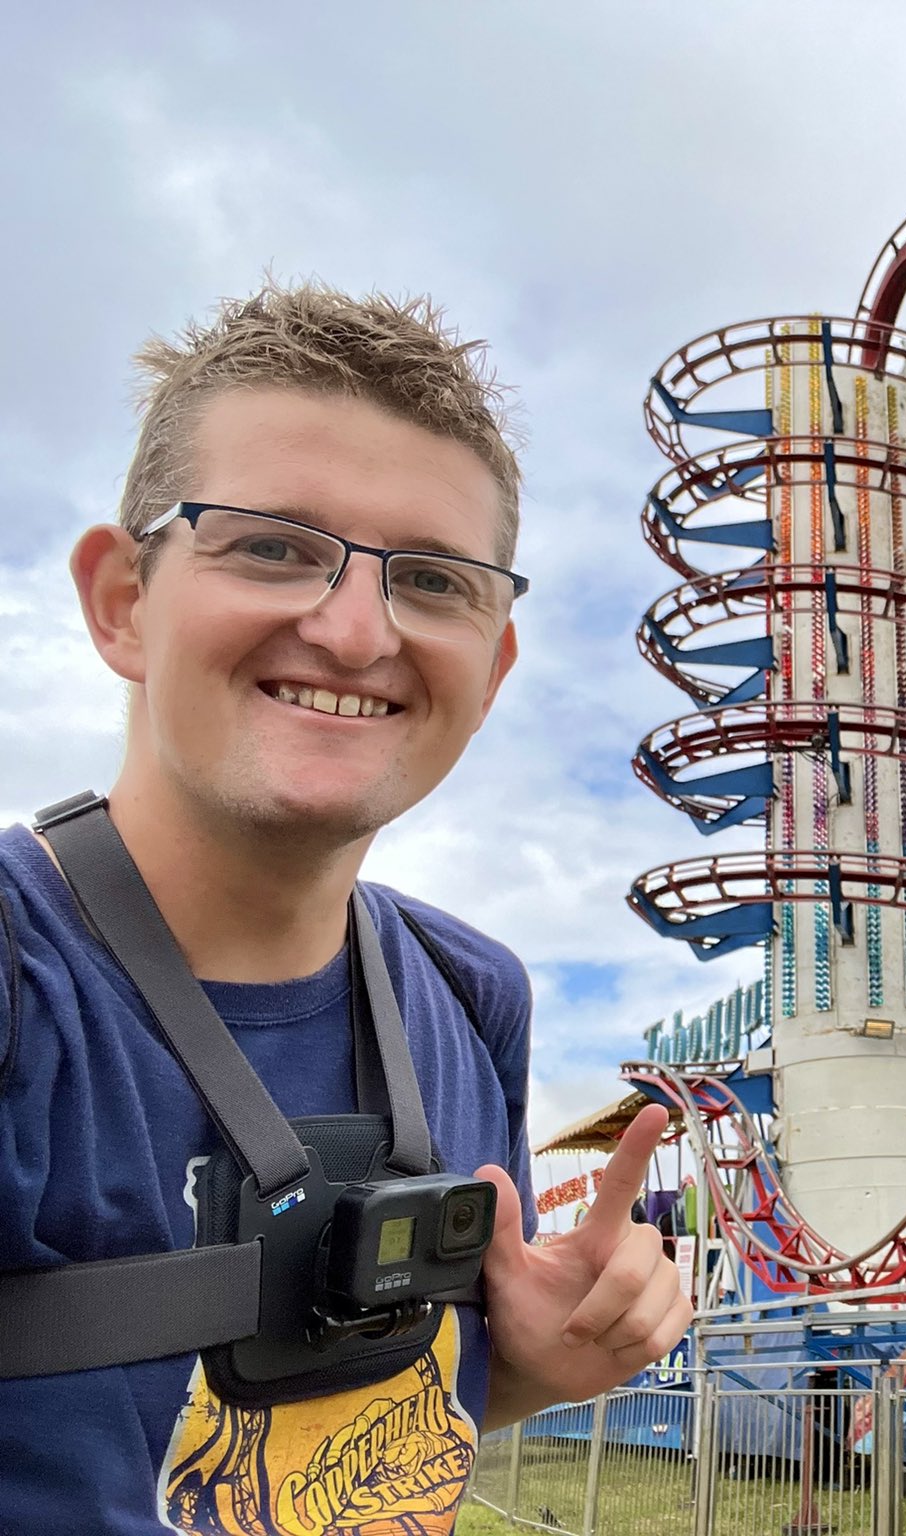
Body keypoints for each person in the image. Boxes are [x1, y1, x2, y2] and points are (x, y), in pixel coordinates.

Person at [0, 282, 688, 1532]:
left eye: (433, 580)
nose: (357, 629)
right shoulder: (21, 978)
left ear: (492, 669)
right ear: (121, 603)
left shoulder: (474, 998)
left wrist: (527, 1366)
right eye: (271, 544)